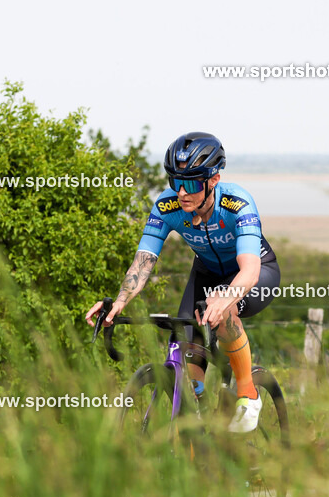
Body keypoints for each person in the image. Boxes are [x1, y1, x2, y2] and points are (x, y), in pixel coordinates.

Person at [85, 132, 280, 432]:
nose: (181, 193)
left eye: (189, 183)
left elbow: (250, 270)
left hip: (255, 272)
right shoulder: (167, 207)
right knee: (187, 346)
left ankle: (248, 395)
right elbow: (143, 262)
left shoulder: (237, 203)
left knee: (225, 313)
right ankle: (199, 432)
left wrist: (224, 298)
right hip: (206, 272)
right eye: (174, 182)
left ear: (213, 179)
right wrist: (120, 302)